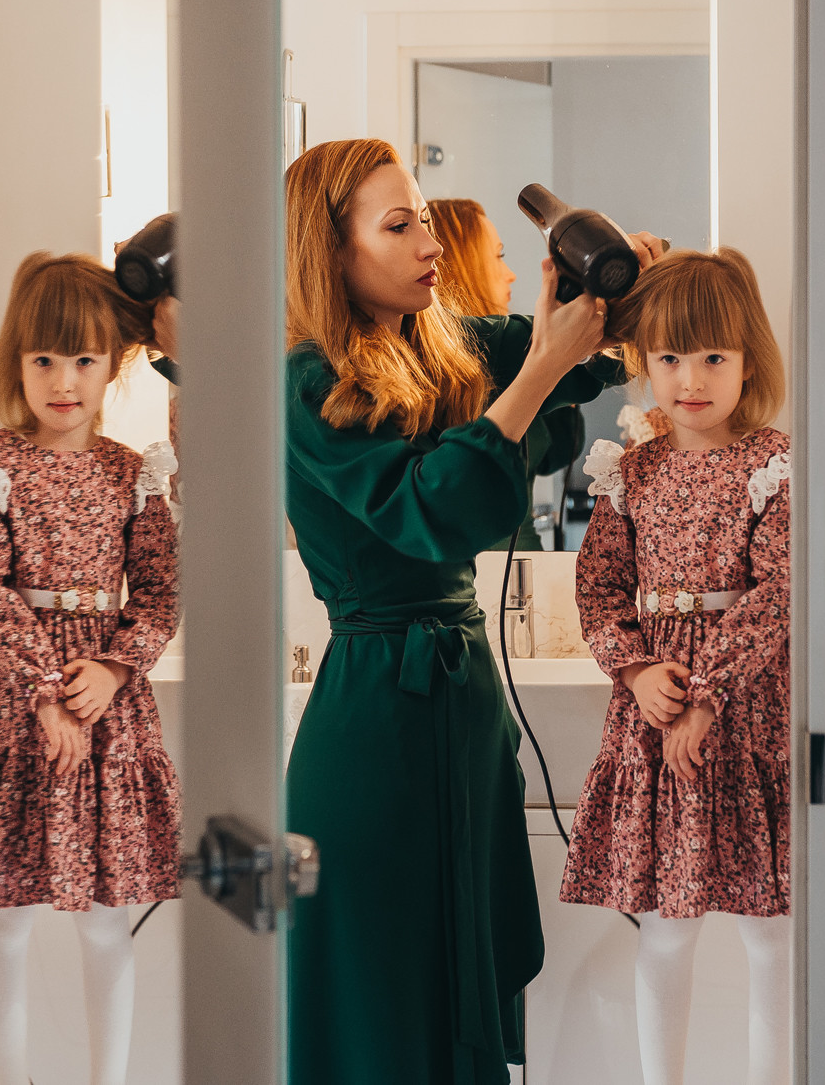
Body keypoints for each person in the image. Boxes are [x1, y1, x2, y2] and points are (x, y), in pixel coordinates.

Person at [283, 138, 657, 1085]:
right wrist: (541, 368)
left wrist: (611, 299)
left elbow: (574, 356)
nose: (430, 242)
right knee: (383, 997)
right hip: (374, 717)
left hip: (465, 705)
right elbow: (430, 508)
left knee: (467, 974)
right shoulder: (306, 382)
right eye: (398, 225)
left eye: (424, 216)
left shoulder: (442, 343)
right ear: (332, 251)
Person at [0, 251, 182, 1085]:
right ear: (17, 360)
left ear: (113, 364)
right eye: (44, 359)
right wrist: (42, 691)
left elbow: (160, 593)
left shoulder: (134, 474)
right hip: (4, 702)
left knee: (103, 919)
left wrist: (115, 668)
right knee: (8, 916)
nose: (64, 380)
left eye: (85, 359)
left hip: (104, 708)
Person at [559, 248, 793, 1085]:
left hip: (746, 712)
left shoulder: (771, 465)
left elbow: (780, 592)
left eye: (714, 357)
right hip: (654, 715)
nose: (690, 378)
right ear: (644, 362)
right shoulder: (630, 473)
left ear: (748, 361)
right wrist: (633, 669)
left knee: (771, 934)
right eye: (669, 357)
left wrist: (710, 694)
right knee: (665, 928)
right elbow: (599, 589)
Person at [427, 196, 586, 551]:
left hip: (528, 560)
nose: (510, 273)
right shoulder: (455, 373)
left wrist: (561, 361)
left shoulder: (515, 355)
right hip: (483, 568)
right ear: (463, 265)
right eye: (498, 256)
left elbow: (555, 453)